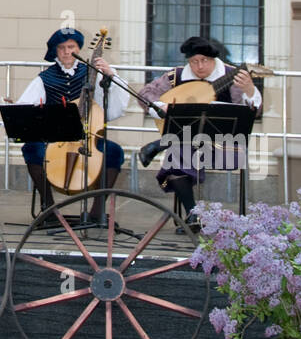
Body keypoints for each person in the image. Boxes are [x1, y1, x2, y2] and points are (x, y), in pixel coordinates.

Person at [137, 35, 262, 228]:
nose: (200, 66)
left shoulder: (233, 77)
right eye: (194, 62)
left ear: (213, 60)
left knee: (182, 143)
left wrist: (250, 90)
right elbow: (145, 96)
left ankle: (159, 145)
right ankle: (193, 214)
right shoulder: (175, 76)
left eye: (205, 61)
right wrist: (163, 107)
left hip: (223, 147)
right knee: (176, 155)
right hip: (187, 149)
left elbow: (251, 112)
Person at [15, 27, 129, 223]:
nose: (67, 52)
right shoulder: (45, 78)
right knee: (32, 149)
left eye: (72, 47)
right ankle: (48, 208)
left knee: (114, 152)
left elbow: (114, 108)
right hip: (55, 139)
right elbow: (24, 108)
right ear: (55, 51)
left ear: (79, 48)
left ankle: (97, 211)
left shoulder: (93, 72)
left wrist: (110, 75)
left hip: (88, 138)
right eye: (62, 48)